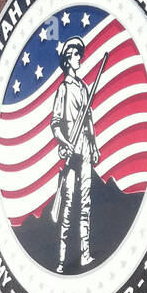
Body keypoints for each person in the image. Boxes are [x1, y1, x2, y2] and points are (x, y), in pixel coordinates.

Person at [51, 36, 99, 272]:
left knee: (86, 204)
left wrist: (95, 145)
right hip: (71, 156)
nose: (79, 58)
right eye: (75, 55)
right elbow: (55, 123)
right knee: (68, 207)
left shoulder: (83, 87)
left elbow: (89, 120)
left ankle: (85, 255)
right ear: (68, 60)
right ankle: (61, 261)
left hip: (86, 152)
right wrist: (64, 142)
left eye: (79, 54)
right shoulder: (63, 89)